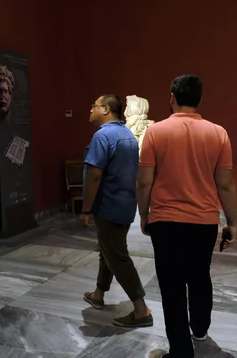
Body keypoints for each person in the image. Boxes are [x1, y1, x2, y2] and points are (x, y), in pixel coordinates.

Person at [136, 74, 237, 358]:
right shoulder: (219, 133)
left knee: (171, 286)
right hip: (204, 222)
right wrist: (233, 221)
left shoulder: (155, 132)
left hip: (165, 221)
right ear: (200, 99)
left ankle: (181, 350)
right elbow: (225, 183)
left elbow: (144, 181)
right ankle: (201, 328)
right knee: (199, 276)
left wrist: (144, 214)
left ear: (171, 97)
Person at [81, 94, 152, 328]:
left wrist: (86, 208)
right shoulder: (127, 135)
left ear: (105, 109)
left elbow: (94, 175)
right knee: (108, 250)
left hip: (108, 205)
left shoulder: (103, 136)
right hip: (124, 204)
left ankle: (141, 310)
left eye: (93, 105)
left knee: (117, 257)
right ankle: (99, 294)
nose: (90, 109)